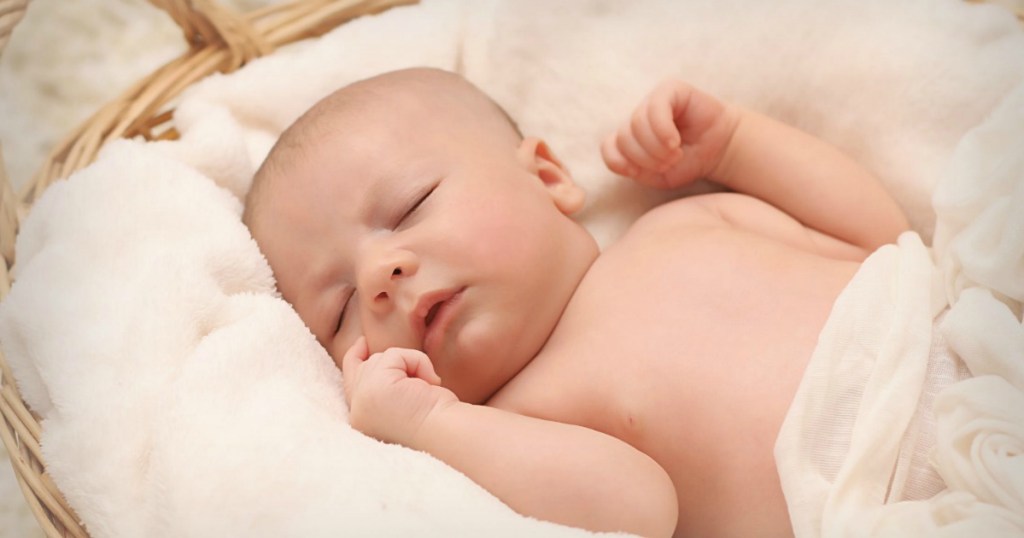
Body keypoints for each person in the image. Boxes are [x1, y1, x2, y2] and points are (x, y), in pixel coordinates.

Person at [243, 67, 910, 537]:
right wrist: (426, 425)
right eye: (340, 309)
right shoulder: (514, 425)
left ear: (549, 176)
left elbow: (881, 240)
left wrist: (736, 143)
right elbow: (641, 508)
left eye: (410, 206)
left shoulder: (683, 220)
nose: (379, 277)